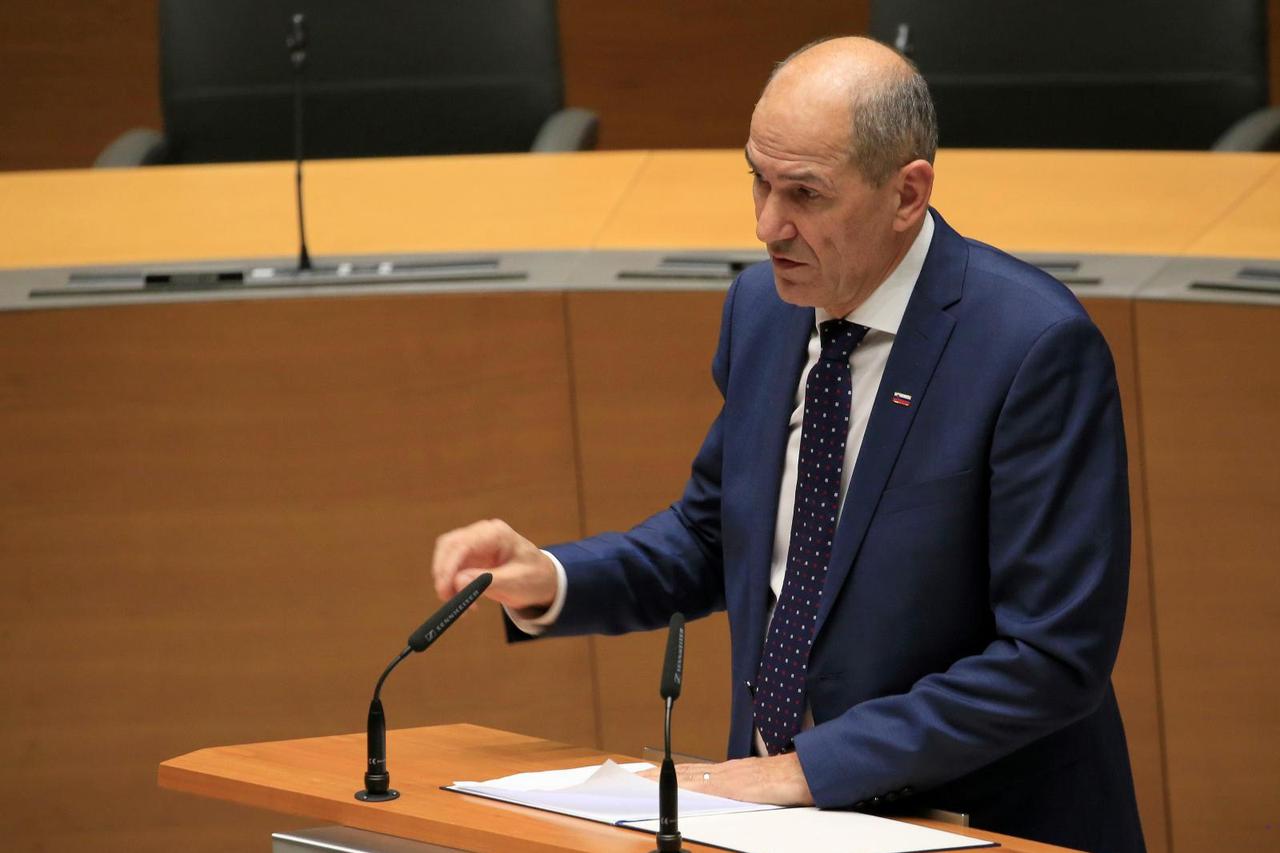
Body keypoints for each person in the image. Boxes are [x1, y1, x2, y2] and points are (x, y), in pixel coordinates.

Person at [432, 36, 1145, 853]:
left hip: (980, 823)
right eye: (758, 180)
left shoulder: (1032, 347)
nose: (768, 224)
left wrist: (811, 766)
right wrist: (554, 579)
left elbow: (1051, 657)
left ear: (907, 193)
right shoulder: (764, 309)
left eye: (804, 193)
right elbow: (717, 533)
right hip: (779, 822)